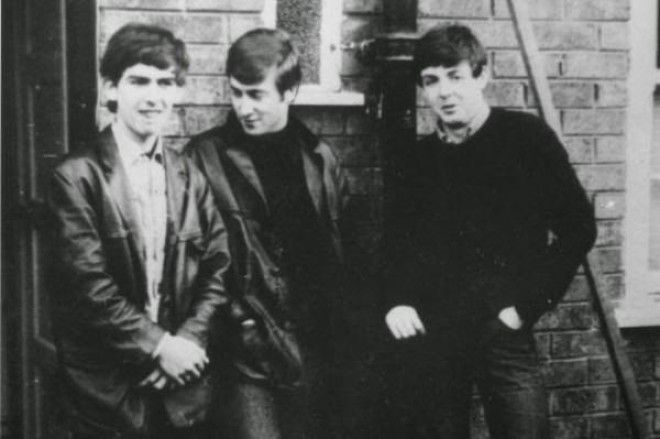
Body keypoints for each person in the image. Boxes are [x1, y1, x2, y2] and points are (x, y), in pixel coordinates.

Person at [379, 23, 597, 438]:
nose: (445, 92)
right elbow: (395, 242)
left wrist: (524, 308)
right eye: (431, 81)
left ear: (481, 76)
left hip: (503, 335)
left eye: (455, 76)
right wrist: (397, 301)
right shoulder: (417, 159)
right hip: (436, 335)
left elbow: (578, 227)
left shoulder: (525, 139)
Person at [47, 23, 231, 439]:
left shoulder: (190, 175)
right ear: (111, 88)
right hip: (108, 393)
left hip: (181, 387)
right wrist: (159, 348)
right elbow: (88, 287)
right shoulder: (75, 177)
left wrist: (187, 344)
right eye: (139, 81)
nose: (153, 96)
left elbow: (219, 266)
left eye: (165, 83)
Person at [186, 28, 354, 439]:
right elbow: (192, 262)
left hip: (315, 347)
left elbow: (342, 251)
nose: (244, 107)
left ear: (289, 91)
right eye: (236, 93)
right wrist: (240, 324)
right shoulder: (203, 157)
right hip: (246, 354)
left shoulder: (320, 158)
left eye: (256, 95)